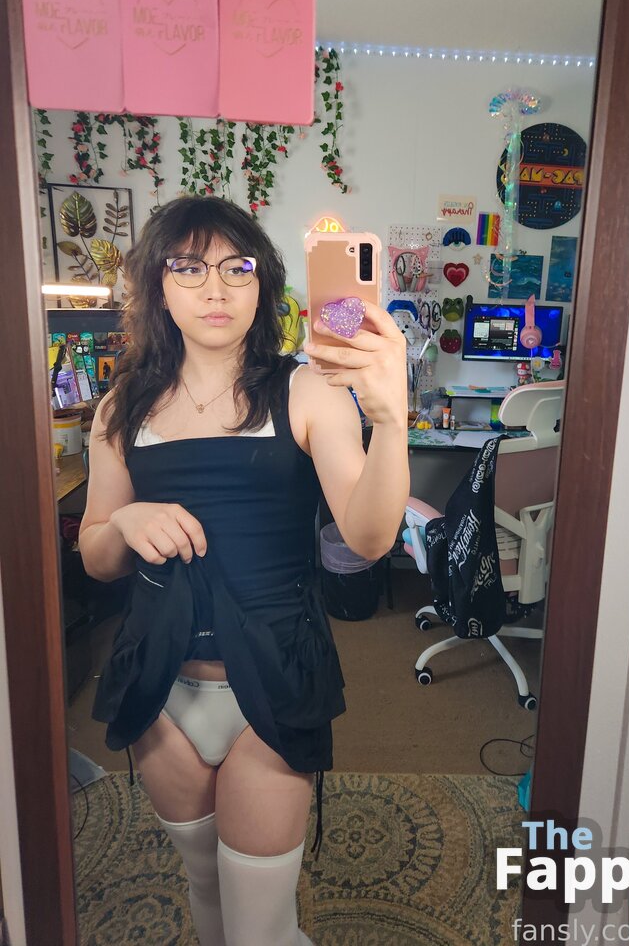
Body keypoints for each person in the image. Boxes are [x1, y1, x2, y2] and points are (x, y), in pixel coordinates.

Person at [78, 196, 409, 946]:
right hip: (161, 688)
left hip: (274, 678)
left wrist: (391, 420)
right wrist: (125, 523)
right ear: (158, 286)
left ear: (263, 287)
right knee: (206, 888)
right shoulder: (120, 409)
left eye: (238, 268)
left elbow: (368, 538)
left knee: (257, 928)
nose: (216, 288)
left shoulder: (306, 389)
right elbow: (95, 555)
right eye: (189, 268)